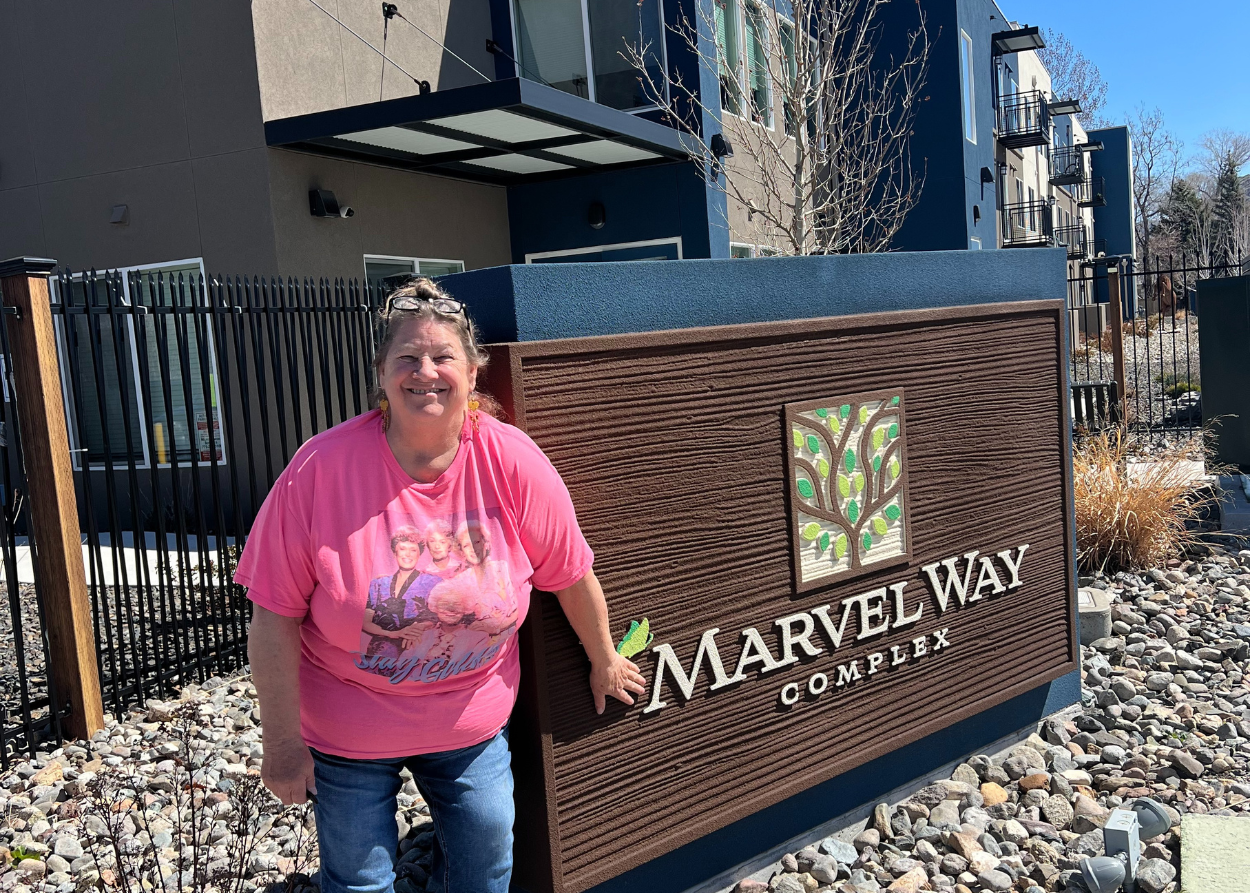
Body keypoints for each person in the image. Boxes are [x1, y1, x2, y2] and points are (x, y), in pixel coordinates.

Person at [237, 278, 646, 893]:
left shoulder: (512, 461)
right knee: (357, 882)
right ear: (381, 373)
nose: (424, 371)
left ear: (474, 371)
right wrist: (284, 745)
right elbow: (273, 615)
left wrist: (604, 656)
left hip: (469, 724)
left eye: (442, 357)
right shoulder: (319, 470)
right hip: (348, 728)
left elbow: (569, 572)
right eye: (407, 357)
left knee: (485, 868)